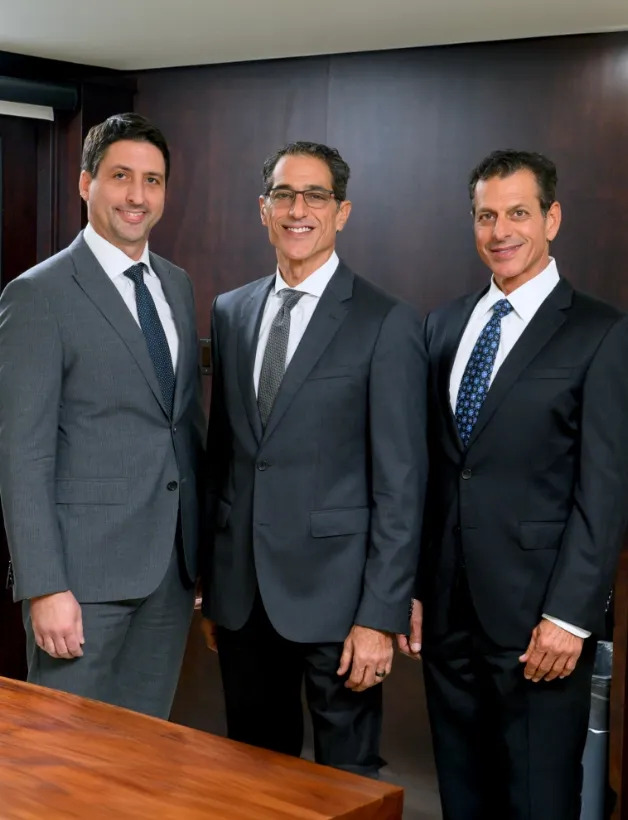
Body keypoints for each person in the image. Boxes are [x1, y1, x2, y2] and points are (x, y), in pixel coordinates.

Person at [400, 149, 628, 818]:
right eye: (486, 216)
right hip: (448, 618)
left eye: (519, 214)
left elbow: (606, 489)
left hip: (539, 625)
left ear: (552, 219)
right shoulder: (444, 324)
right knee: (462, 798)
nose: (501, 232)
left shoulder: (601, 332)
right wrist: (414, 589)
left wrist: (570, 617)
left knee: (537, 802)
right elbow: (435, 471)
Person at [201, 141, 427, 777]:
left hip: (341, 605)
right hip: (244, 597)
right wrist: (216, 587)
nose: (297, 210)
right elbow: (224, 457)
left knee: (347, 784)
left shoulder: (386, 322)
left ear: (342, 212)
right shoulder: (231, 311)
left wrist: (380, 615)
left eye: (315, 196)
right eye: (283, 195)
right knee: (254, 777)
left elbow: (401, 484)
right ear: (263, 209)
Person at [0, 113, 204, 719]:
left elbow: (182, 428)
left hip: (169, 575)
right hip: (80, 581)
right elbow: (22, 454)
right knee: (66, 758)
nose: (137, 195)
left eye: (152, 180)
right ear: (86, 182)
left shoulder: (176, 285)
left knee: (144, 754)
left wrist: (200, 557)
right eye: (120, 176)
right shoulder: (39, 294)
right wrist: (44, 585)